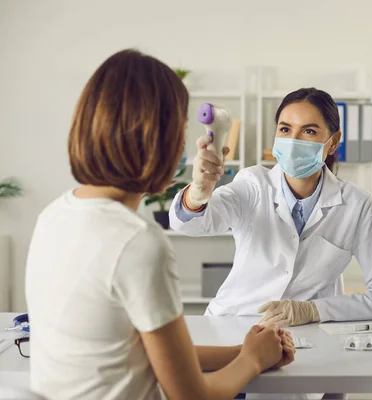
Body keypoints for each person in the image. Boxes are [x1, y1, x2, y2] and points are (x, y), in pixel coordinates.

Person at [24, 49, 294, 400]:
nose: (183, 144)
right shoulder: (137, 242)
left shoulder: (54, 215)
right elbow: (194, 397)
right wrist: (252, 363)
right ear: (156, 136)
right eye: (180, 128)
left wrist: (243, 352)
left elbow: (142, 352)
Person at [170, 87, 372, 328]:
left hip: (308, 333)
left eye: (309, 131)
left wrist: (314, 310)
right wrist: (198, 193)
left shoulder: (356, 204)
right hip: (233, 323)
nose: (293, 141)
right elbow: (190, 224)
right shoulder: (253, 184)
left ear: (333, 142)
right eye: (285, 129)